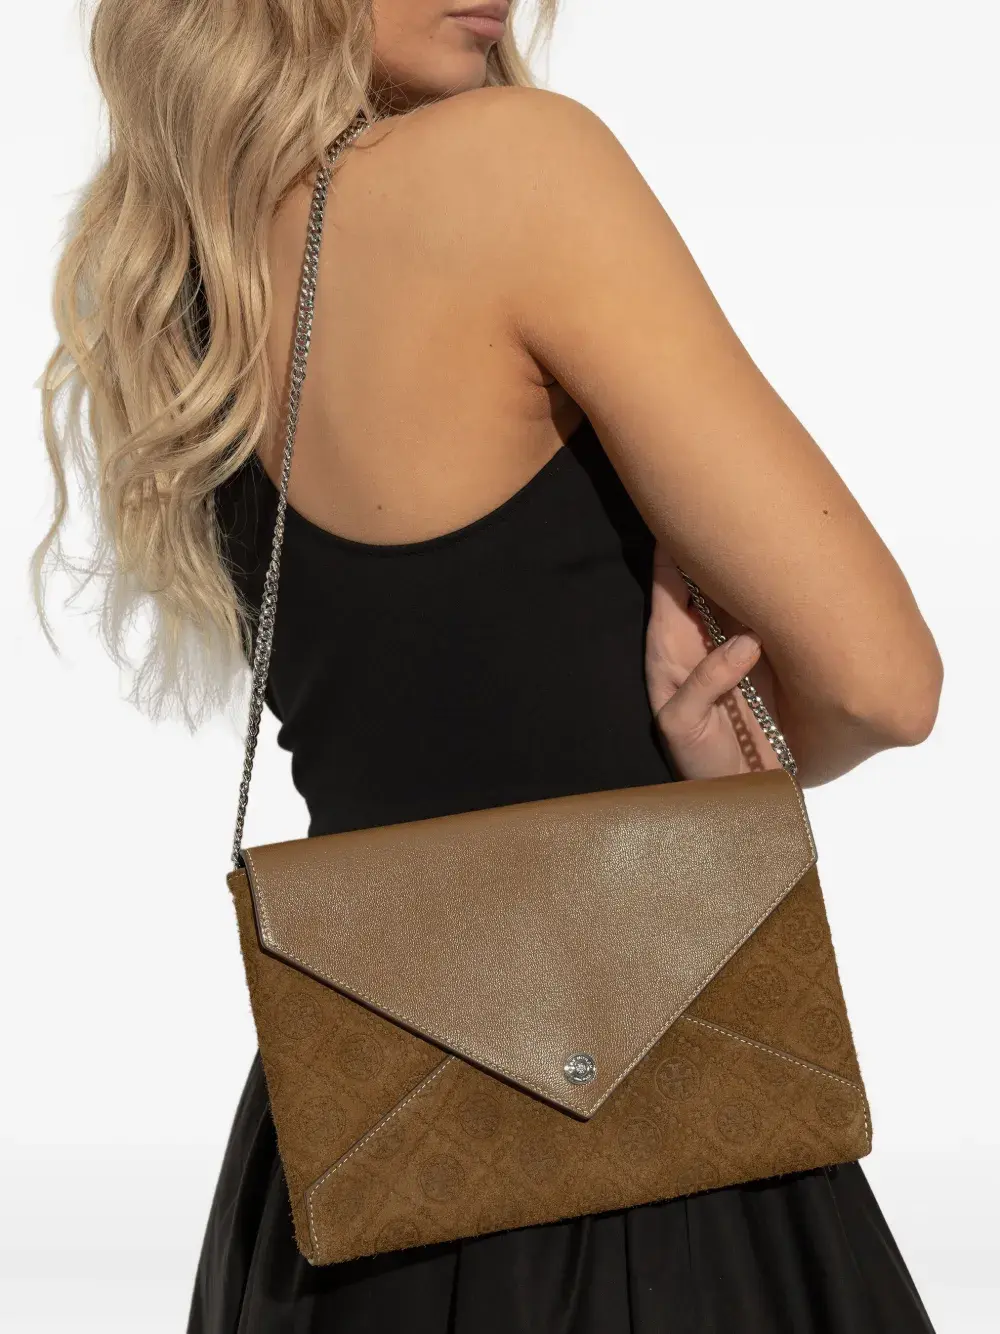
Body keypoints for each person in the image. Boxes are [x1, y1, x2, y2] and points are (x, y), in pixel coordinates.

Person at [33, 1, 944, 1330]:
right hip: (647, 1139)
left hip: (348, 1179)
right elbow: (885, 684)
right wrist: (746, 754)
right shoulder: (518, 166)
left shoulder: (186, 281)